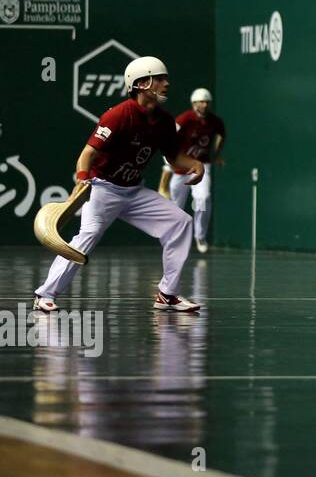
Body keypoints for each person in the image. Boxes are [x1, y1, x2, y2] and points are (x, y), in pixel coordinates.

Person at [33, 56, 204, 313]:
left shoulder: (166, 121)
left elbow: (173, 157)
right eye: (160, 79)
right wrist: (82, 180)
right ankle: (45, 294)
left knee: (181, 222)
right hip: (104, 189)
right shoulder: (118, 115)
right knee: (87, 236)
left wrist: (195, 163)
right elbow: (87, 155)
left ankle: (167, 294)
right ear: (143, 83)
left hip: (135, 191)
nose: (167, 83)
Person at [159, 87, 226, 253]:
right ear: (194, 103)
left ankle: (200, 235)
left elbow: (221, 135)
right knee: (175, 206)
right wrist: (170, 162)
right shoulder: (184, 119)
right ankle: (172, 238)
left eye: (207, 102)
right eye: (201, 102)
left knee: (203, 199)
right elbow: (168, 138)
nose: (205, 105)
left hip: (202, 166)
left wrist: (216, 155)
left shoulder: (215, 121)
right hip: (181, 168)